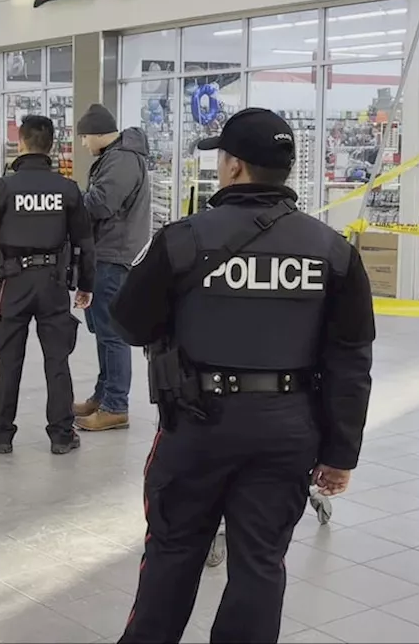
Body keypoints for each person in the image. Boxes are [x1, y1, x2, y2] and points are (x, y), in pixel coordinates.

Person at [110, 108, 375, 643]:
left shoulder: (182, 239)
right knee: (260, 564)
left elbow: (129, 322)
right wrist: (340, 454)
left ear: (232, 167)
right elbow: (351, 361)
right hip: (287, 430)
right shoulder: (333, 252)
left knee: (173, 551)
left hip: (195, 423)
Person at [0, 115, 96, 455]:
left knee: (9, 359)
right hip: (54, 284)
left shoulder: (2, 188)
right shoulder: (67, 189)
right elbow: (85, 241)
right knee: (57, 360)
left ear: (20, 144)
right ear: (50, 146)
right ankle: (63, 435)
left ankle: (0, 433)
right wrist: (85, 284)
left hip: (15, 281)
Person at [72, 103, 151, 432]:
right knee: (104, 333)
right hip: (107, 254)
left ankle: (116, 405)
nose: (83, 145)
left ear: (98, 134)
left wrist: (72, 199)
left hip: (113, 256)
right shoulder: (119, 156)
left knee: (112, 334)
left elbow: (102, 204)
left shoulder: (120, 159)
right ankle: (103, 396)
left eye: (84, 137)